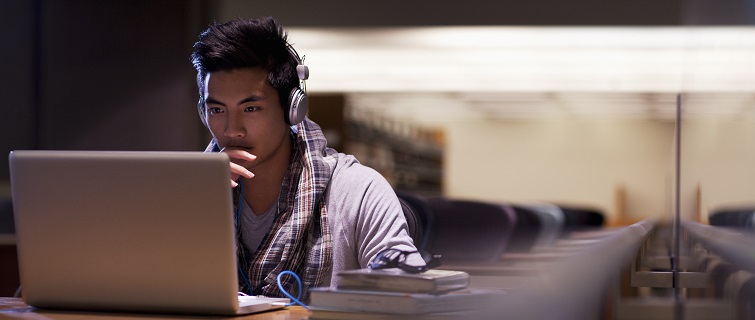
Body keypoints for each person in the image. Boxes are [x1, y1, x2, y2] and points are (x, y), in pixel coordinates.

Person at [190, 16, 421, 301]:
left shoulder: (358, 191)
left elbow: (408, 293)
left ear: (292, 109)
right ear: (203, 112)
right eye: (217, 110)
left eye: (251, 109)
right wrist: (197, 206)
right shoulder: (191, 194)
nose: (232, 130)